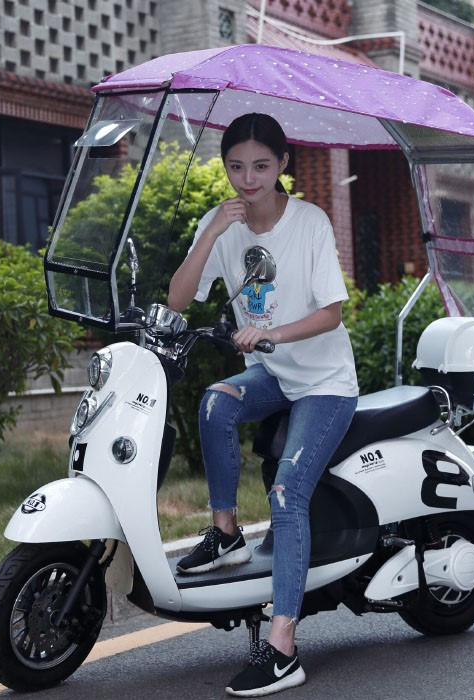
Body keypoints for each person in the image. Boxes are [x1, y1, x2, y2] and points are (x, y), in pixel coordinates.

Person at [168, 113, 359, 697]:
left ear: (282, 167)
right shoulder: (220, 224)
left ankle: (282, 647)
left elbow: (333, 312)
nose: (247, 179)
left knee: (286, 493)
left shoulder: (310, 222)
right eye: (235, 166)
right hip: (271, 375)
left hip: (324, 382)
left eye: (260, 166)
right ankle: (225, 532)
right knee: (215, 402)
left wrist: (274, 335)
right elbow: (177, 302)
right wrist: (209, 236)